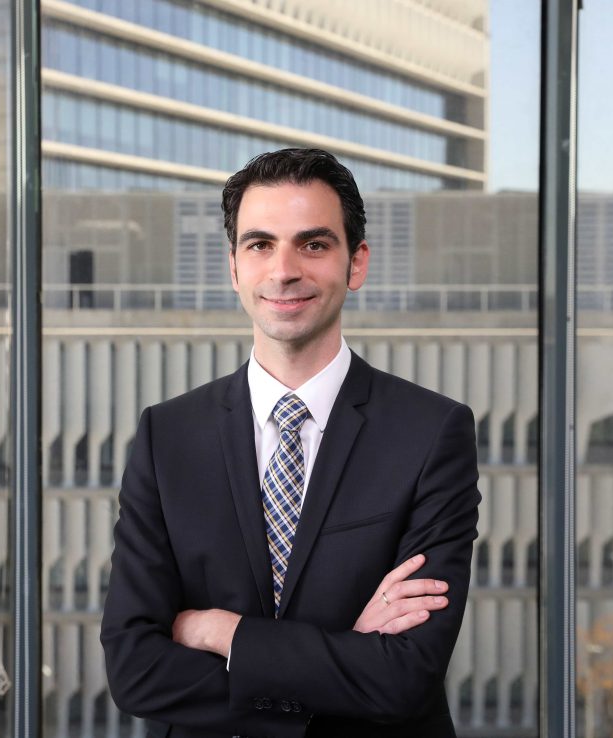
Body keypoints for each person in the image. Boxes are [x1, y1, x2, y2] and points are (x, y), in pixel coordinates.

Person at [101, 148, 481, 738]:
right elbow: (136, 671)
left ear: (357, 263)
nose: (283, 270)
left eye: (313, 244)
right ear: (233, 267)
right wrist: (344, 661)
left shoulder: (431, 433)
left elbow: (404, 675)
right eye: (260, 244)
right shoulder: (166, 436)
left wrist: (220, 632)